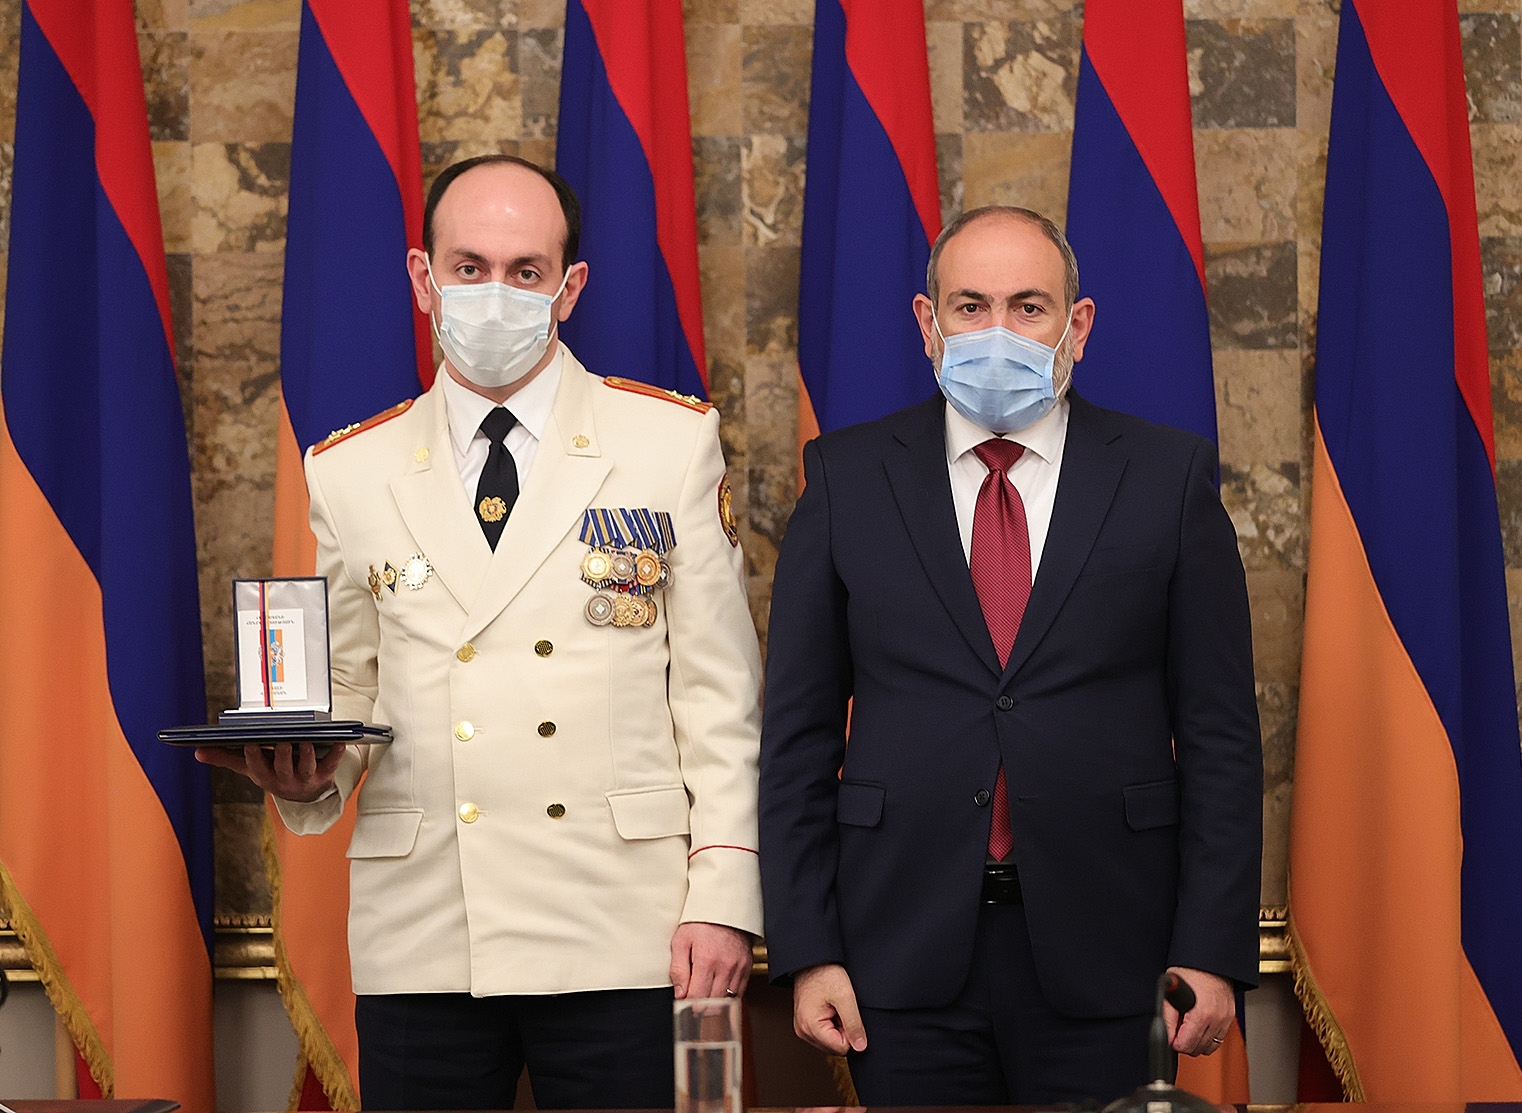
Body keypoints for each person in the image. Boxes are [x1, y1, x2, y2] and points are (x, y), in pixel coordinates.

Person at [199, 155, 763, 1110]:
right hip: (426, 927)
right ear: (424, 278)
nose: (494, 293)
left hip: (629, 921)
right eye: (469, 268)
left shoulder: (668, 442)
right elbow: (347, 683)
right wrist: (306, 769)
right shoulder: (351, 467)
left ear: (568, 288)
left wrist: (722, 898)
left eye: (524, 270)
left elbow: (719, 696)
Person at [757, 205, 1263, 1105]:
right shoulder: (846, 477)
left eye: (1028, 307)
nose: (998, 331)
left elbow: (1221, 735)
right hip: (897, 950)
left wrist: (1211, 948)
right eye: (971, 306)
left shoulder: (1167, 477)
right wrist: (809, 949)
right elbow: (797, 736)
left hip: (1112, 950)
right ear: (928, 323)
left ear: (1078, 325)